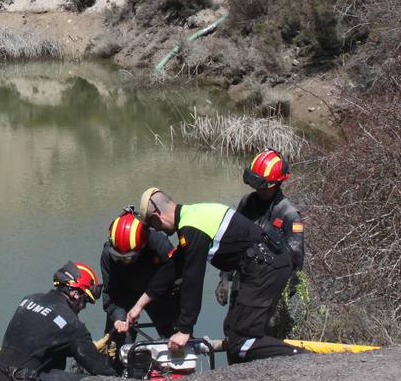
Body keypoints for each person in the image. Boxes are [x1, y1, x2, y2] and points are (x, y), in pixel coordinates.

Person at [126, 188, 301, 365]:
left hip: (267, 270)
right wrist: (139, 305)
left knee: (241, 340)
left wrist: (184, 330)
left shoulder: (192, 228)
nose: (159, 230)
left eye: (153, 225)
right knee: (232, 330)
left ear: (157, 216)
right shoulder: (192, 216)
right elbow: (173, 268)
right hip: (263, 267)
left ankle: (304, 358)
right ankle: (243, 379)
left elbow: (192, 280)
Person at [0, 261, 117, 381]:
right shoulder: (71, 323)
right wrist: (119, 377)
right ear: (75, 294)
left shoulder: (30, 299)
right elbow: (99, 368)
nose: (83, 307)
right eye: (85, 301)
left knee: (58, 361)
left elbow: (41, 339)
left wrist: (89, 347)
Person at [215, 149, 306, 338]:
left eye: (263, 187)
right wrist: (224, 278)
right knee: (232, 329)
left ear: (275, 184)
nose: (259, 191)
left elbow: (295, 260)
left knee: (261, 335)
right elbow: (232, 241)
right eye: (256, 186)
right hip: (243, 282)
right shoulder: (247, 203)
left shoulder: (289, 215)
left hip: (269, 289)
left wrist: (282, 297)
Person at [101, 208, 179, 344]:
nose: (125, 261)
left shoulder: (158, 244)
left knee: (175, 338)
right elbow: (111, 293)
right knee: (118, 341)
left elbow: (178, 277)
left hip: (158, 292)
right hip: (125, 295)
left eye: (129, 258)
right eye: (120, 258)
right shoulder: (108, 254)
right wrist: (119, 318)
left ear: (143, 245)